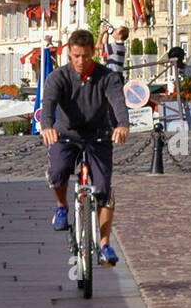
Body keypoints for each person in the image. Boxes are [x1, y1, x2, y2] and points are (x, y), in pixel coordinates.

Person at [39, 28, 129, 265]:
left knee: (103, 189)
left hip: (98, 136)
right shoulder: (58, 77)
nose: (81, 61)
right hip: (67, 135)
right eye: (76, 56)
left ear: (93, 54)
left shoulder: (106, 77)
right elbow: (48, 103)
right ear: (69, 53)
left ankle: (105, 244)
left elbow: (117, 102)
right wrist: (47, 126)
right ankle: (61, 206)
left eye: (86, 56)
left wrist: (122, 125)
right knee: (58, 172)